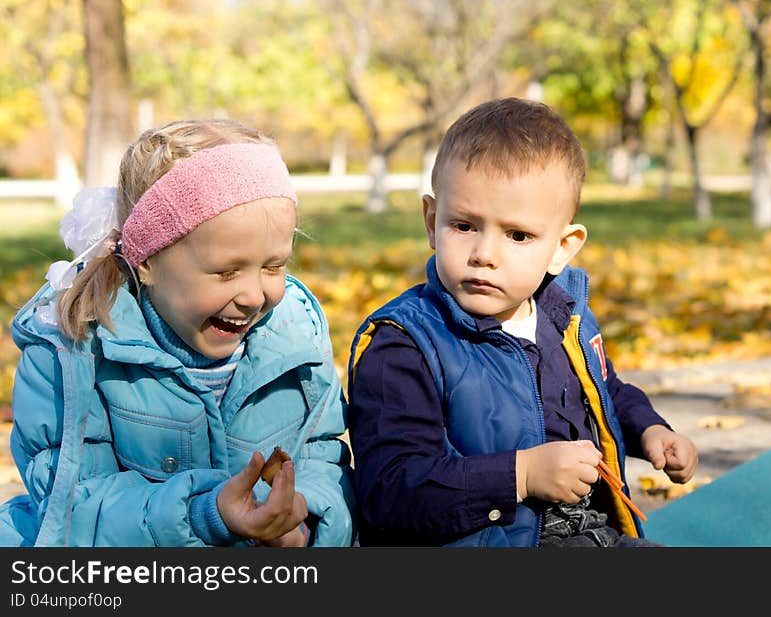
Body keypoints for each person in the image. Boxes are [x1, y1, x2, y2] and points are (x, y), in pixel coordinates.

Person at [347, 97, 698, 547]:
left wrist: (651, 429)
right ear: (432, 221)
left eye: (517, 235)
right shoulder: (405, 344)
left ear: (562, 247)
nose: (485, 254)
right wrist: (521, 475)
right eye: (464, 225)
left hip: (588, 535)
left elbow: (605, 391)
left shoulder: (563, 319)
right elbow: (390, 492)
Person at [0, 119, 355, 547]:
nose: (254, 295)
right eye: (226, 272)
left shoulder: (295, 336)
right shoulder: (75, 349)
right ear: (147, 262)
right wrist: (205, 515)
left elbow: (323, 456)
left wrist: (305, 520)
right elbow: (74, 506)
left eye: (274, 266)